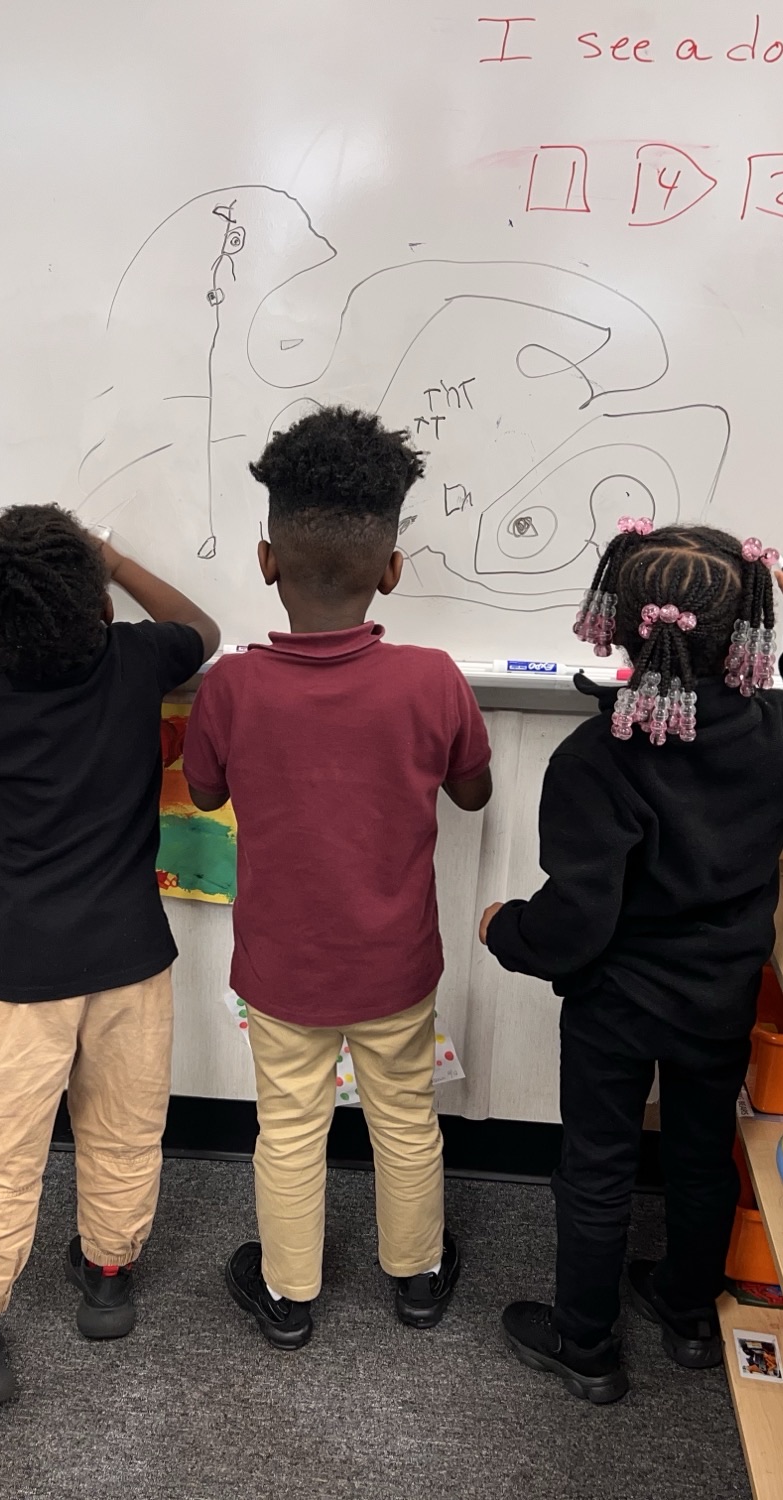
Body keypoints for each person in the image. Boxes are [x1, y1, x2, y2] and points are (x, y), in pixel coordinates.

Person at [479, 522, 783, 1405]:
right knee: (699, 1154)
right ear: (748, 634)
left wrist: (506, 930)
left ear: (615, 621)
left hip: (615, 1004)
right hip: (720, 996)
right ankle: (689, 1313)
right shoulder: (782, 731)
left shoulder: (595, 759)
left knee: (598, 1164)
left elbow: (575, 923)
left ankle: (586, 1344)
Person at [185, 407, 493, 1350]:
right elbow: (473, 794)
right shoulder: (434, 678)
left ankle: (289, 1297)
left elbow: (202, 791)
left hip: (282, 968)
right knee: (406, 1118)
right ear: (392, 569)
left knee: (288, 1127)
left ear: (266, 560)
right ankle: (417, 1279)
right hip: (396, 964)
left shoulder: (231, 687)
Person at [0, 504, 219, 1415]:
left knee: (3, 1153)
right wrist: (115, 561)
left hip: (23, 974)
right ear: (94, 605)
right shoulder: (134, 662)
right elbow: (202, 632)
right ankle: (106, 1277)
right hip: (133, 957)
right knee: (126, 1126)